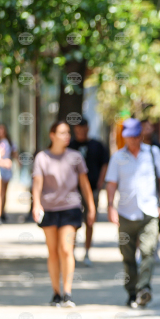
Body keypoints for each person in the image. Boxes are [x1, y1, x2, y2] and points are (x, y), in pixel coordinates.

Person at [105, 118, 160, 309]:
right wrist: (110, 206)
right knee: (127, 256)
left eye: (135, 136)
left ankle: (144, 288)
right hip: (126, 213)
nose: (132, 140)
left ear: (140, 135)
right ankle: (132, 291)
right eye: (129, 136)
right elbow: (111, 183)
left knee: (148, 251)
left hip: (149, 211)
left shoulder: (152, 153)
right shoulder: (117, 157)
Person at [32, 122, 95, 308]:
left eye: (68, 132)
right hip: (49, 208)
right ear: (52, 135)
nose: (67, 136)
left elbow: (84, 184)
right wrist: (36, 204)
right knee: (53, 251)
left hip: (70, 207)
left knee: (66, 249)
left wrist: (91, 206)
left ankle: (67, 292)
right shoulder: (42, 157)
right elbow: (37, 184)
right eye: (62, 133)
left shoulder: (75, 157)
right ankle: (56, 293)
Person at [69, 118, 110, 267]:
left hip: (92, 189)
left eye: (82, 129)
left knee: (90, 220)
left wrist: (101, 181)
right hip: (73, 191)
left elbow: (105, 163)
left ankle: (87, 251)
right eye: (77, 129)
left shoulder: (97, 145)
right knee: (73, 222)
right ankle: (71, 251)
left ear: (87, 128)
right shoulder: (70, 146)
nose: (80, 132)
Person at [0, 123, 17, 222]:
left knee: (4, 192)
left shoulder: (10, 142)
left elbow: (15, 153)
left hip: (7, 169)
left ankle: (2, 211)